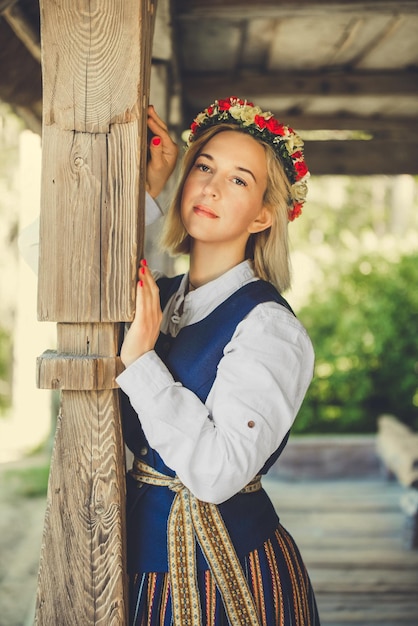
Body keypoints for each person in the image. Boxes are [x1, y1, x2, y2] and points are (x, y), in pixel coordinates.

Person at [117, 96, 320, 626]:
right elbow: (46, 261)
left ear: (262, 215)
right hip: (133, 561)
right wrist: (143, 192)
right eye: (203, 166)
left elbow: (218, 473)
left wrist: (140, 362)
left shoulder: (269, 329)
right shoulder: (159, 297)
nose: (209, 186)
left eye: (238, 179)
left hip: (229, 580)